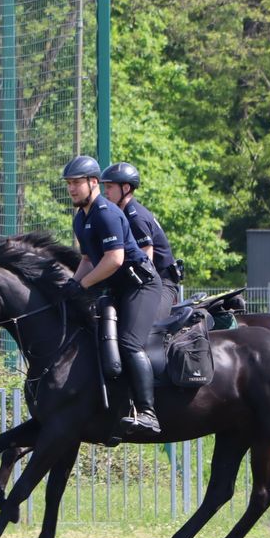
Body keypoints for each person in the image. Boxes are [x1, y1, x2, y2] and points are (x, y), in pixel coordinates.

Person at [60, 155, 165, 436]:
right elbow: (87, 258)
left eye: (76, 183)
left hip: (140, 286)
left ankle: (147, 413)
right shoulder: (81, 219)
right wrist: (72, 283)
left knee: (129, 344)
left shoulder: (106, 213)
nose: (71, 189)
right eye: (69, 184)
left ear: (93, 182)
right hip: (117, 287)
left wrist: (82, 286)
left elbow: (114, 259)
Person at [99, 161, 183, 310]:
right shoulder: (123, 215)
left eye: (110, 187)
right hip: (148, 280)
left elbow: (146, 261)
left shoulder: (135, 218)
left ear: (125, 188)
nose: (106, 192)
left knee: (149, 327)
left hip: (163, 283)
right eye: (105, 187)